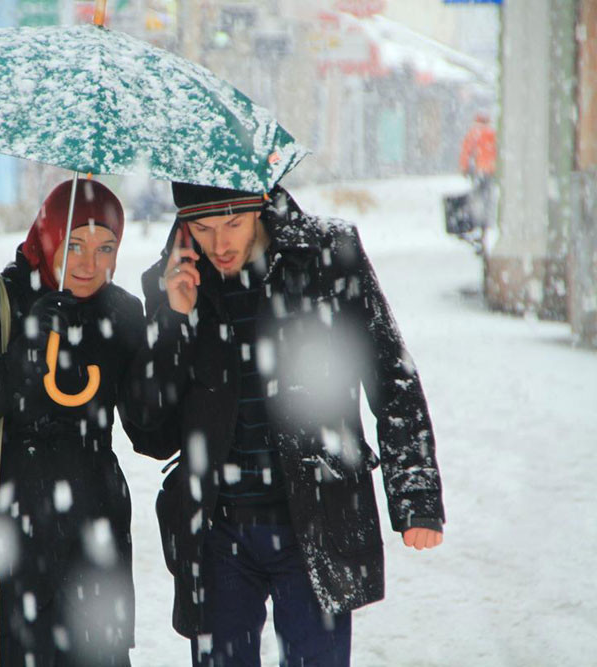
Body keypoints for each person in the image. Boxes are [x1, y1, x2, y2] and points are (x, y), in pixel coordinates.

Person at [138, 182, 446, 667]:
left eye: (233, 224)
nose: (219, 244)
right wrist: (174, 322)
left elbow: (390, 372)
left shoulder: (328, 254)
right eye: (202, 228)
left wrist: (416, 495)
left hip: (316, 519)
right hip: (218, 535)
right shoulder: (172, 279)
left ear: (260, 206)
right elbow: (151, 433)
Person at [0, 179, 152, 666]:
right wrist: (27, 347)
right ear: (48, 237)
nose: (89, 264)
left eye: (105, 247)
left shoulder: (121, 312)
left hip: (91, 530)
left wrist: (165, 331)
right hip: (0, 520)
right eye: (73, 244)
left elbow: (152, 434)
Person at [459, 111, 497, 236]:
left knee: (477, 197)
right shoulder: (493, 133)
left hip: (478, 171)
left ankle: (477, 221)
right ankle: (487, 221)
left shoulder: (474, 133)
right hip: (490, 171)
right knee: (488, 197)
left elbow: (466, 152)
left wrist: (464, 168)